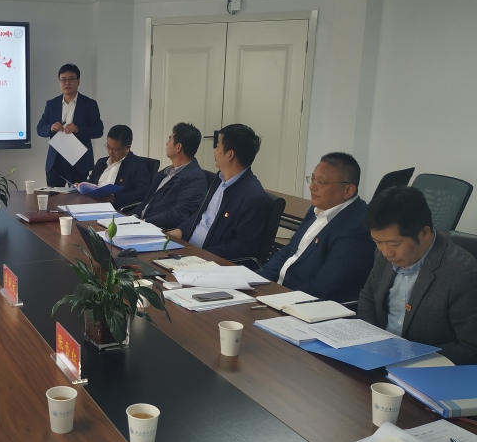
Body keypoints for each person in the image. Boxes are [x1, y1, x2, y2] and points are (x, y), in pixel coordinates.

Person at [358, 187, 477, 364]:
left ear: (424, 233)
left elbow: (472, 349)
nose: (386, 252)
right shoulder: (384, 254)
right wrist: (371, 339)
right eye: (377, 242)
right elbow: (369, 297)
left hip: (426, 368)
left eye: (394, 244)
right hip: (379, 357)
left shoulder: (462, 273)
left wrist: (406, 354)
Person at [259, 152, 373, 303]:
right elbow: (289, 250)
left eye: (321, 182)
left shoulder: (357, 228)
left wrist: (276, 299)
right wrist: (259, 281)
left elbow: (325, 287)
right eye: (312, 179)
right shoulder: (317, 208)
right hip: (279, 292)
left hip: (304, 303)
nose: (312, 187)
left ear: (348, 191)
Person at [171, 124, 270, 260]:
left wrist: (197, 255)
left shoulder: (253, 197)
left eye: (217, 146)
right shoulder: (219, 179)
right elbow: (200, 215)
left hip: (207, 260)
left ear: (230, 155)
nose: (214, 151)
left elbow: (242, 247)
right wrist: (180, 231)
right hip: (187, 249)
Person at [36, 64, 103, 187]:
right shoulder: (52, 104)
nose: (67, 83)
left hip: (78, 160)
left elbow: (98, 130)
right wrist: (51, 127)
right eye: (63, 79)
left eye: (71, 79)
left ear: (78, 81)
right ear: (59, 82)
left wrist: (78, 129)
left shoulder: (89, 104)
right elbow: (40, 129)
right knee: (54, 196)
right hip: (55, 161)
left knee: (78, 196)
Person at [132, 123, 208, 230]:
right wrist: (134, 216)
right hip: (141, 224)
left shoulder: (195, 179)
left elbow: (179, 214)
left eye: (170, 140)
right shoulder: (165, 172)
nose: (166, 144)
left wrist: (144, 222)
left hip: (158, 230)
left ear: (178, 147)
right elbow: (147, 201)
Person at [80, 125, 152, 210]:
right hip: (93, 203)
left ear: (127, 147)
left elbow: (143, 191)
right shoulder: (101, 162)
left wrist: (115, 199)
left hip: (115, 208)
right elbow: (92, 181)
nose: (110, 152)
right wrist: (81, 186)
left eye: (115, 149)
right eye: (108, 147)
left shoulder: (137, 165)